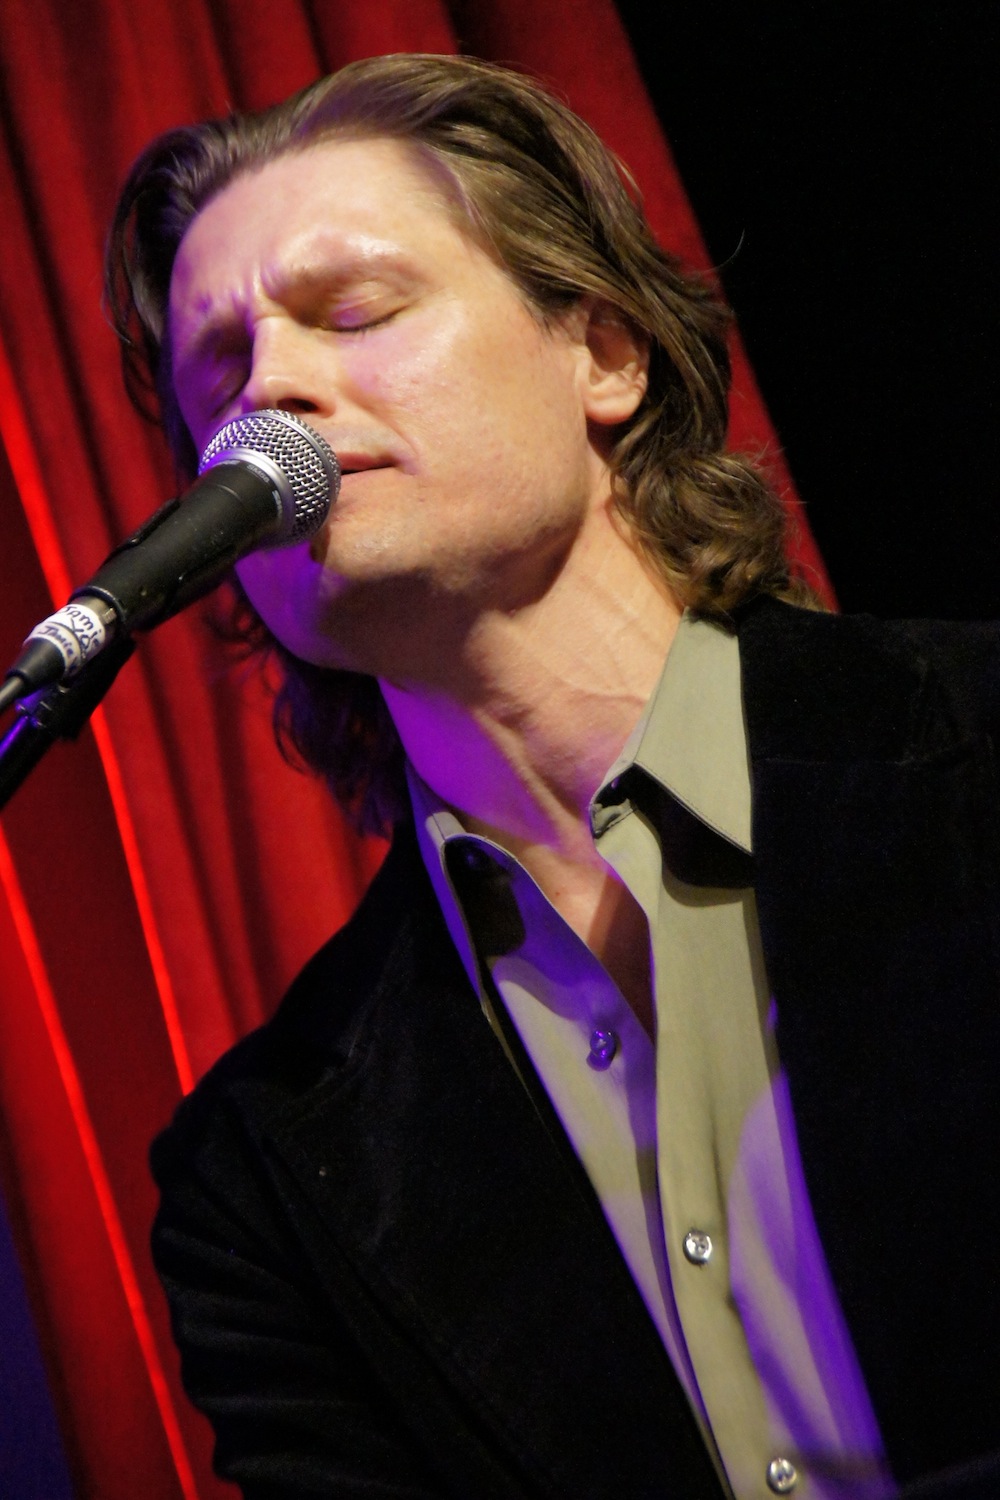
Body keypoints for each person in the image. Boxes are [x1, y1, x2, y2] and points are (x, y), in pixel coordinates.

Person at [106, 53, 1000, 1500]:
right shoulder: (257, 1177)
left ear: (605, 353)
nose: (266, 393)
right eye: (220, 375)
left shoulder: (973, 743)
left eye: (354, 311)